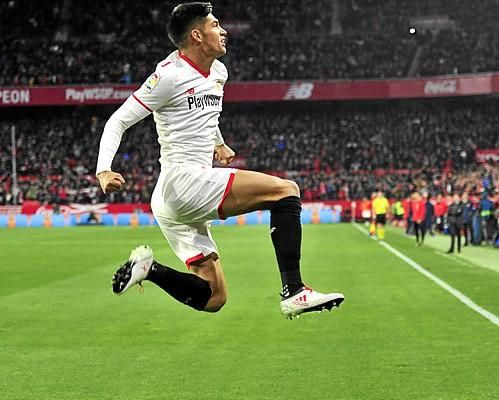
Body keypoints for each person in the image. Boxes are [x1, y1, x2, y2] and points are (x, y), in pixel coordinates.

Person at [95, 2, 343, 319]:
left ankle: (149, 269)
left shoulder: (218, 72)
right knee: (286, 191)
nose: (223, 30)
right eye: (215, 25)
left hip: (173, 199)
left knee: (214, 297)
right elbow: (118, 121)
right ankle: (294, 290)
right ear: (196, 36)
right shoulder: (168, 76)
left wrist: (218, 142)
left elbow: (206, 113)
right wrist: (104, 169)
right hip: (184, 182)